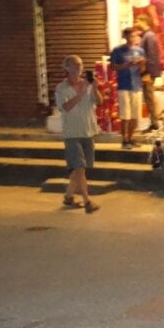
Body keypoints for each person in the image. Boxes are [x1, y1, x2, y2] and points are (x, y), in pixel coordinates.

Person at [54, 55, 103, 214]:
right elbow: (66, 107)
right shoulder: (61, 88)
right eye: (75, 65)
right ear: (67, 68)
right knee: (80, 167)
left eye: (80, 64)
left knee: (79, 168)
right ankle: (87, 201)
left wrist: (94, 88)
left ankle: (69, 196)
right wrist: (81, 93)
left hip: (87, 130)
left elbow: (99, 102)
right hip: (72, 133)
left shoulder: (86, 85)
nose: (79, 68)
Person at [109, 27, 146, 148]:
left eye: (134, 36)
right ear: (125, 37)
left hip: (136, 85)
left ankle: (131, 138)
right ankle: (124, 140)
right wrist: (127, 65)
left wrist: (141, 64)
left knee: (135, 115)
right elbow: (113, 67)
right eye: (130, 36)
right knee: (125, 115)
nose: (132, 39)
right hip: (124, 85)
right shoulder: (118, 51)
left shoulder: (139, 51)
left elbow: (142, 70)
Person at [137, 17, 163, 131]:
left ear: (144, 22)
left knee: (149, 97)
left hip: (148, 72)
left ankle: (154, 122)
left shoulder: (149, 36)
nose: (136, 23)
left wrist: (147, 72)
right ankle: (153, 121)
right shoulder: (146, 36)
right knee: (148, 98)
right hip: (146, 72)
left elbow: (152, 56)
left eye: (138, 21)